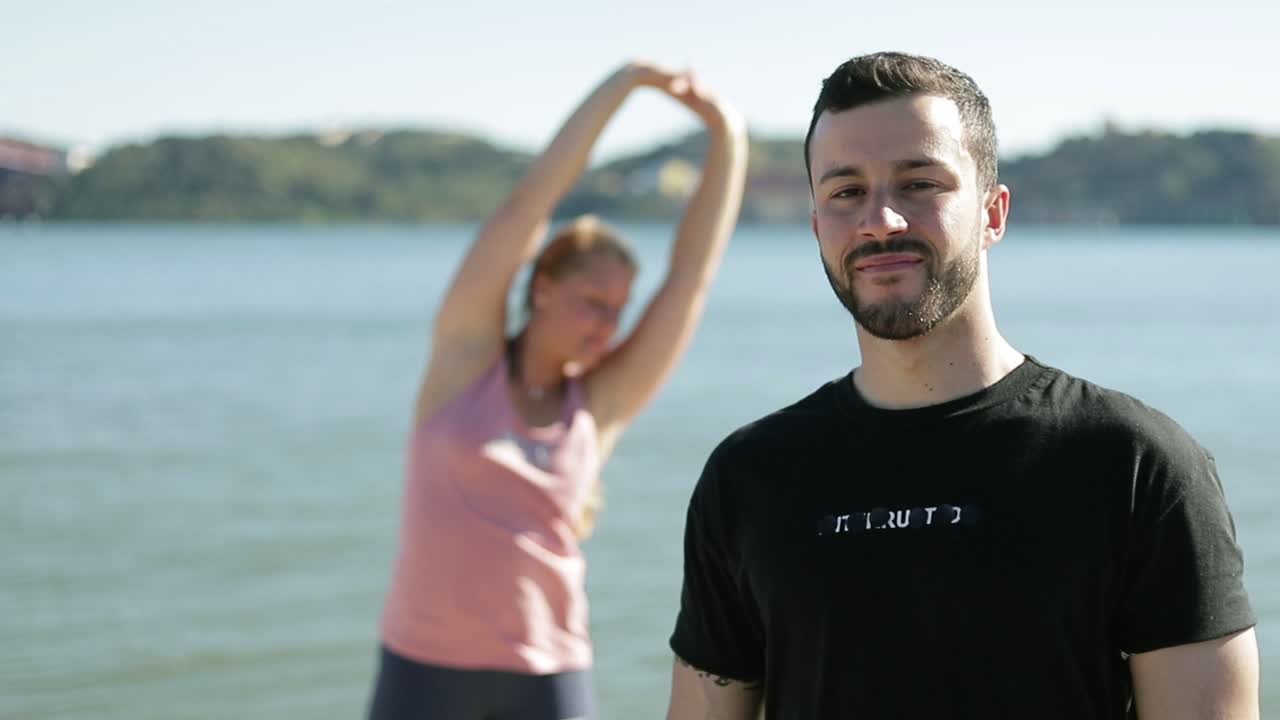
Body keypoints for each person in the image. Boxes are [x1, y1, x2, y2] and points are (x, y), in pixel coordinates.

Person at [665, 51, 1258, 719]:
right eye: (845, 191)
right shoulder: (748, 478)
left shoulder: (1134, 464)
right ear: (816, 227)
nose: (880, 220)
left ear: (993, 213)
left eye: (919, 184)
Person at [366, 61, 747, 720]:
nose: (609, 324)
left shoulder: (597, 407)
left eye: (619, 308)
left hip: (545, 677)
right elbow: (529, 204)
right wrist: (623, 84)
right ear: (541, 287)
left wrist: (727, 133)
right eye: (591, 300)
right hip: (421, 672)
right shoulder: (464, 365)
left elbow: (692, 277)